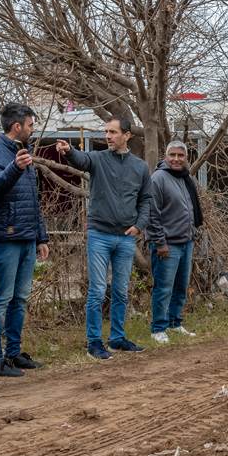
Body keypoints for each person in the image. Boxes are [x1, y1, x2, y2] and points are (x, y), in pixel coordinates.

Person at [55, 117, 152, 360]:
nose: (108, 136)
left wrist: (139, 226)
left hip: (126, 238)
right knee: (97, 291)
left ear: (127, 135)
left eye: (113, 132)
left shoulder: (140, 167)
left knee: (121, 291)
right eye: (106, 132)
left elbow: (147, 200)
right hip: (99, 235)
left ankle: (117, 338)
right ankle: (94, 342)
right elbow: (81, 159)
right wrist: (69, 152)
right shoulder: (97, 159)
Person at [0, 102, 50, 378]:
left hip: (27, 237)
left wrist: (41, 237)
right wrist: (15, 168)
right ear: (16, 126)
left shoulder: (25, 154)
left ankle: (14, 353)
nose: (33, 129)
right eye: (31, 125)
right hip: (5, 236)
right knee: (0, 299)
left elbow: (33, 200)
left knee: (20, 299)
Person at [147, 141, 203, 344]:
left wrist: (193, 232)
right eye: (173, 155)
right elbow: (152, 214)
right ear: (165, 156)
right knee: (163, 288)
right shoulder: (158, 179)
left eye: (181, 155)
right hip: (167, 245)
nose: (177, 159)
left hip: (186, 241)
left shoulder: (185, 178)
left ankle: (175, 322)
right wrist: (160, 243)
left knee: (181, 286)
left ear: (186, 158)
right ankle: (158, 328)